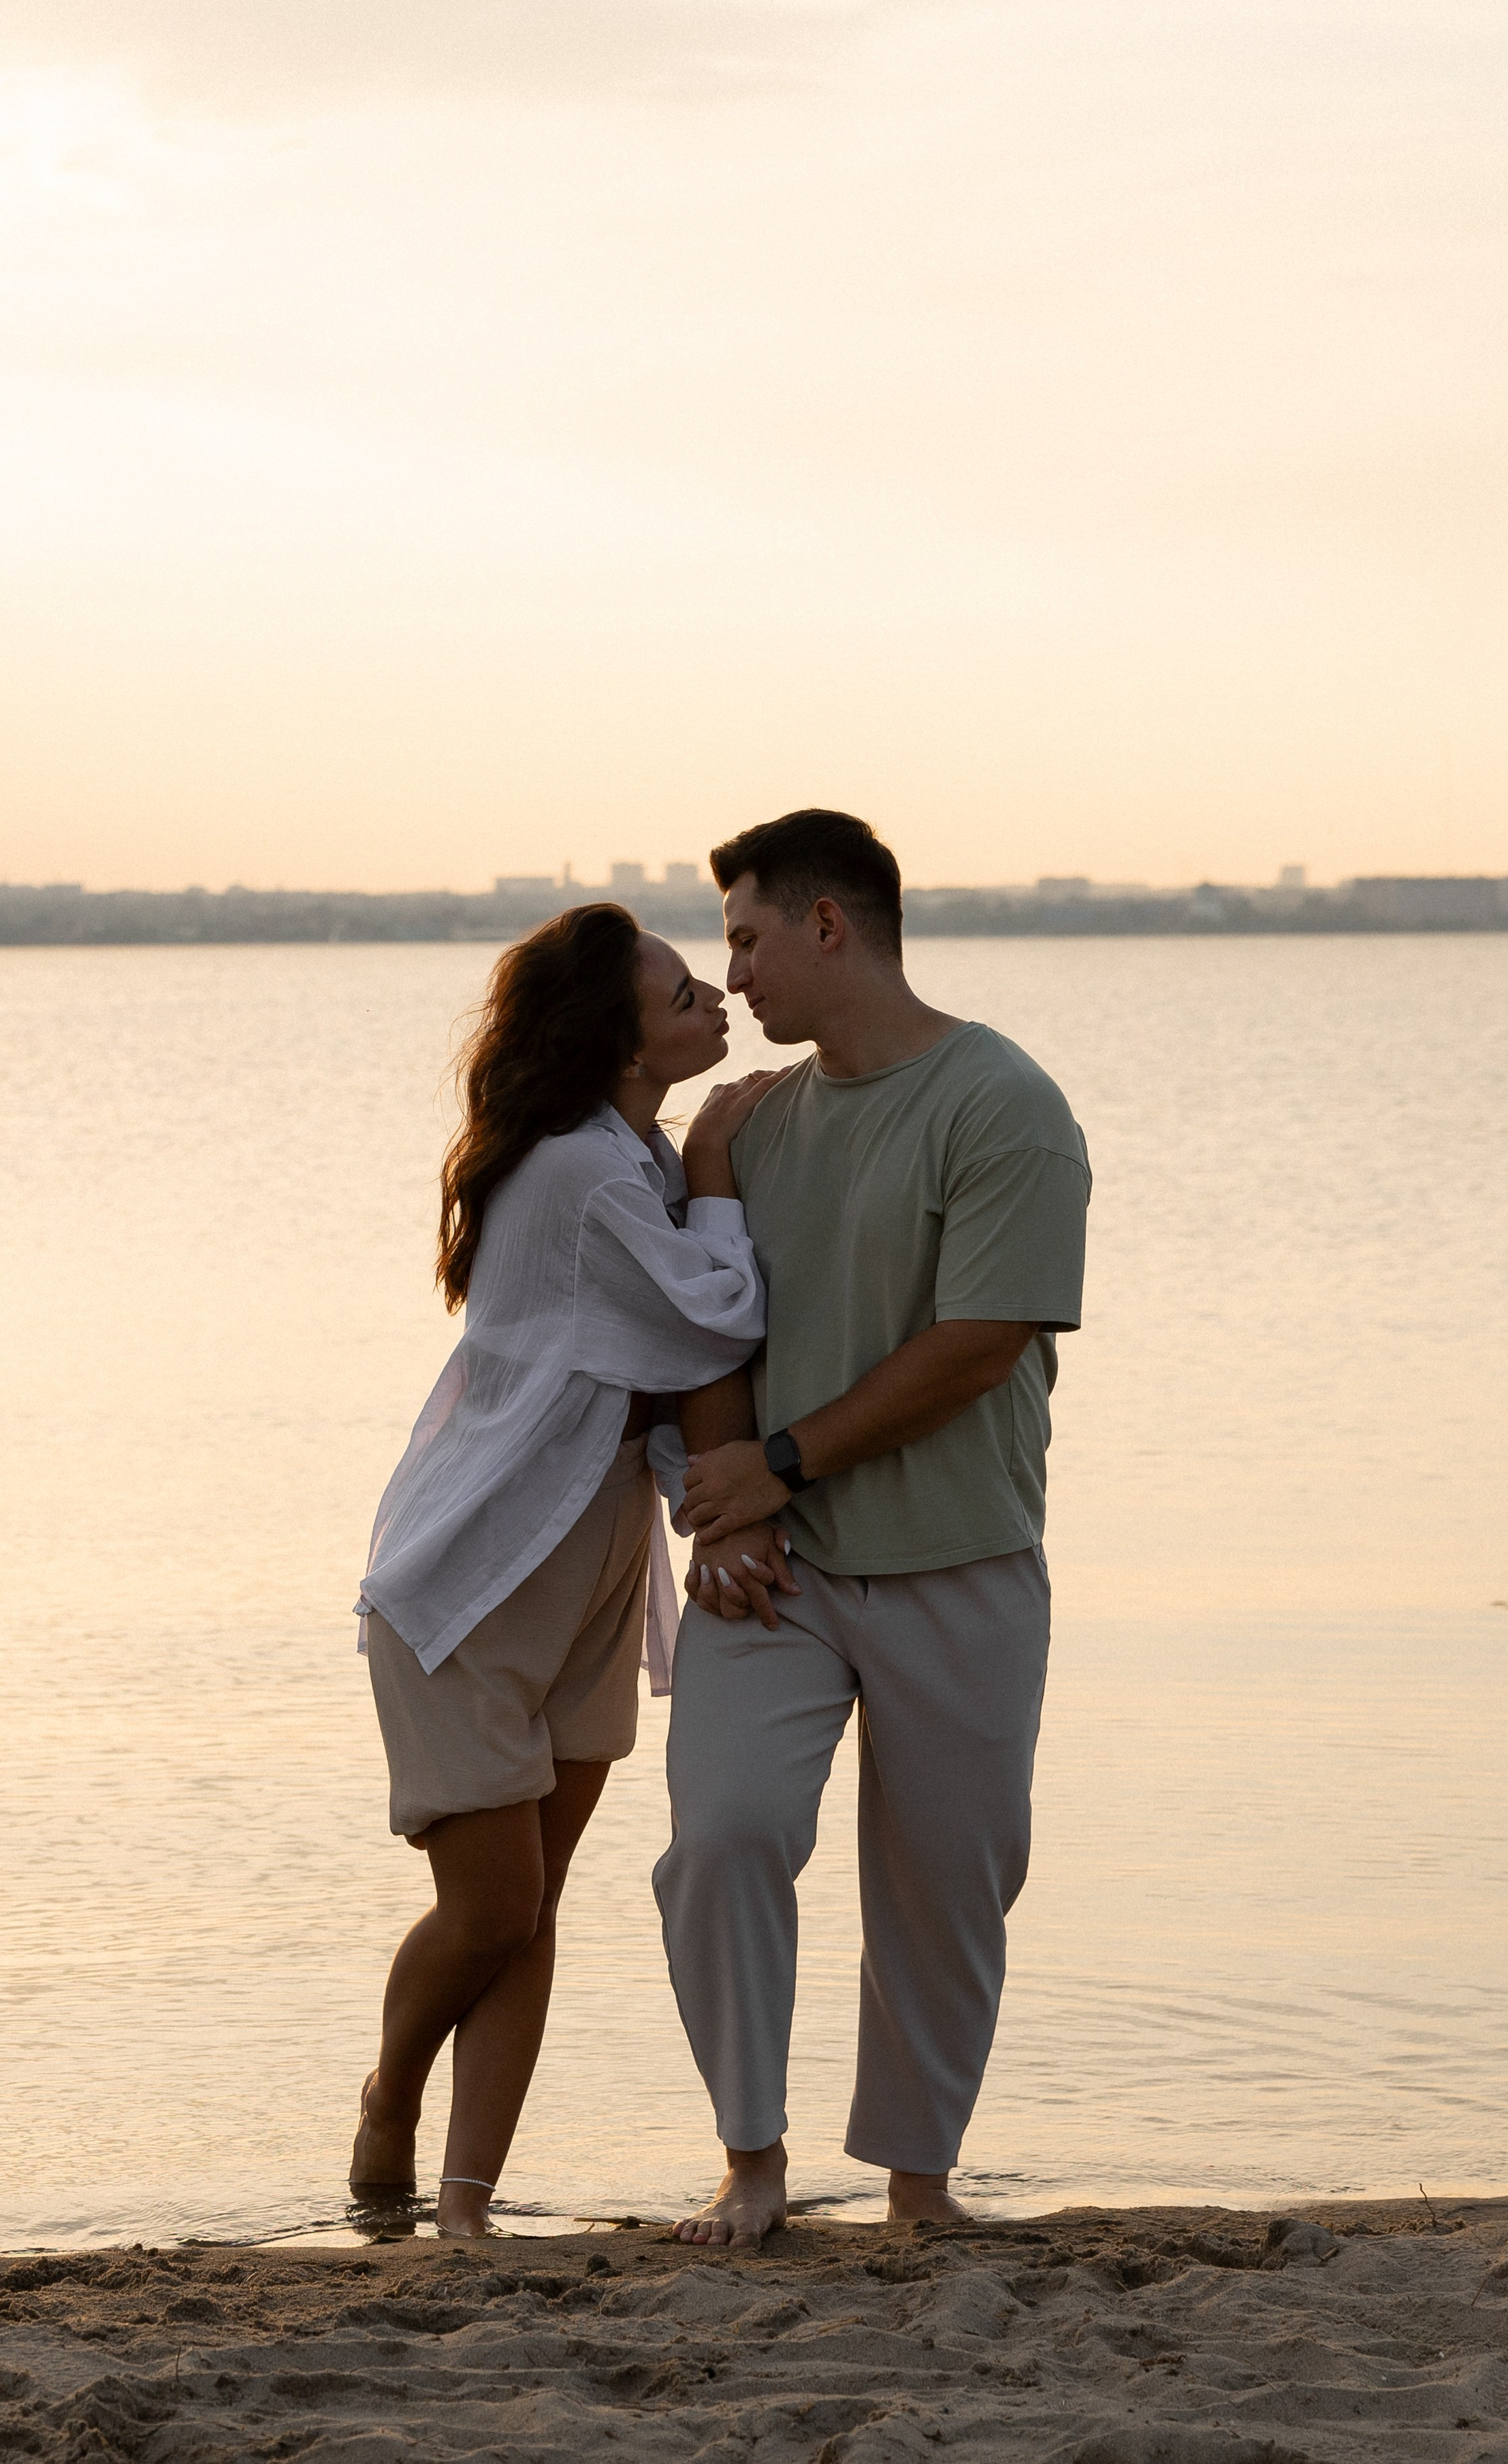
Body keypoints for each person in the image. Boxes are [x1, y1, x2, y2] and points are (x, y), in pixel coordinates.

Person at [652, 809, 1091, 2249]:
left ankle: (918, 2182)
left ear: (827, 924)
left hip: (959, 1558)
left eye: (746, 938)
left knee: (947, 1880)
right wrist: (724, 1491)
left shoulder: (1000, 1099)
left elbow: (980, 1335)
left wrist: (779, 1459)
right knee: (722, 1836)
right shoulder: (746, 1122)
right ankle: (751, 2154)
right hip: (774, 1571)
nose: (736, 978)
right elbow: (703, 1315)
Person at [350, 901, 782, 2238]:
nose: (711, 995)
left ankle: (468, 2206)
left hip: (590, 1571)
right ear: (616, 1030)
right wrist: (719, 1159)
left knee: (529, 1912)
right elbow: (720, 1311)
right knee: (493, 1907)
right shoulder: (588, 1173)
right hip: (473, 1580)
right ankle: (390, 2096)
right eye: (679, 988)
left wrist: (708, 1513)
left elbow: (652, 1379)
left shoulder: (627, 1156)